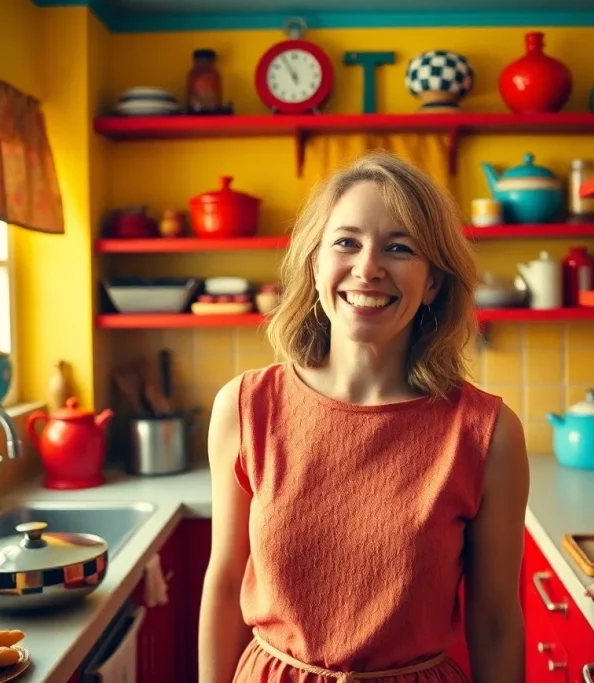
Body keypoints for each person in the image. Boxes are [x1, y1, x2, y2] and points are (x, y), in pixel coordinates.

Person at [198, 150, 529, 683]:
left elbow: (494, 620)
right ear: (314, 263)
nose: (368, 267)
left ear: (434, 284)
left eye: (399, 248)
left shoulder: (487, 434)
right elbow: (224, 579)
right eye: (346, 242)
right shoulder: (244, 408)